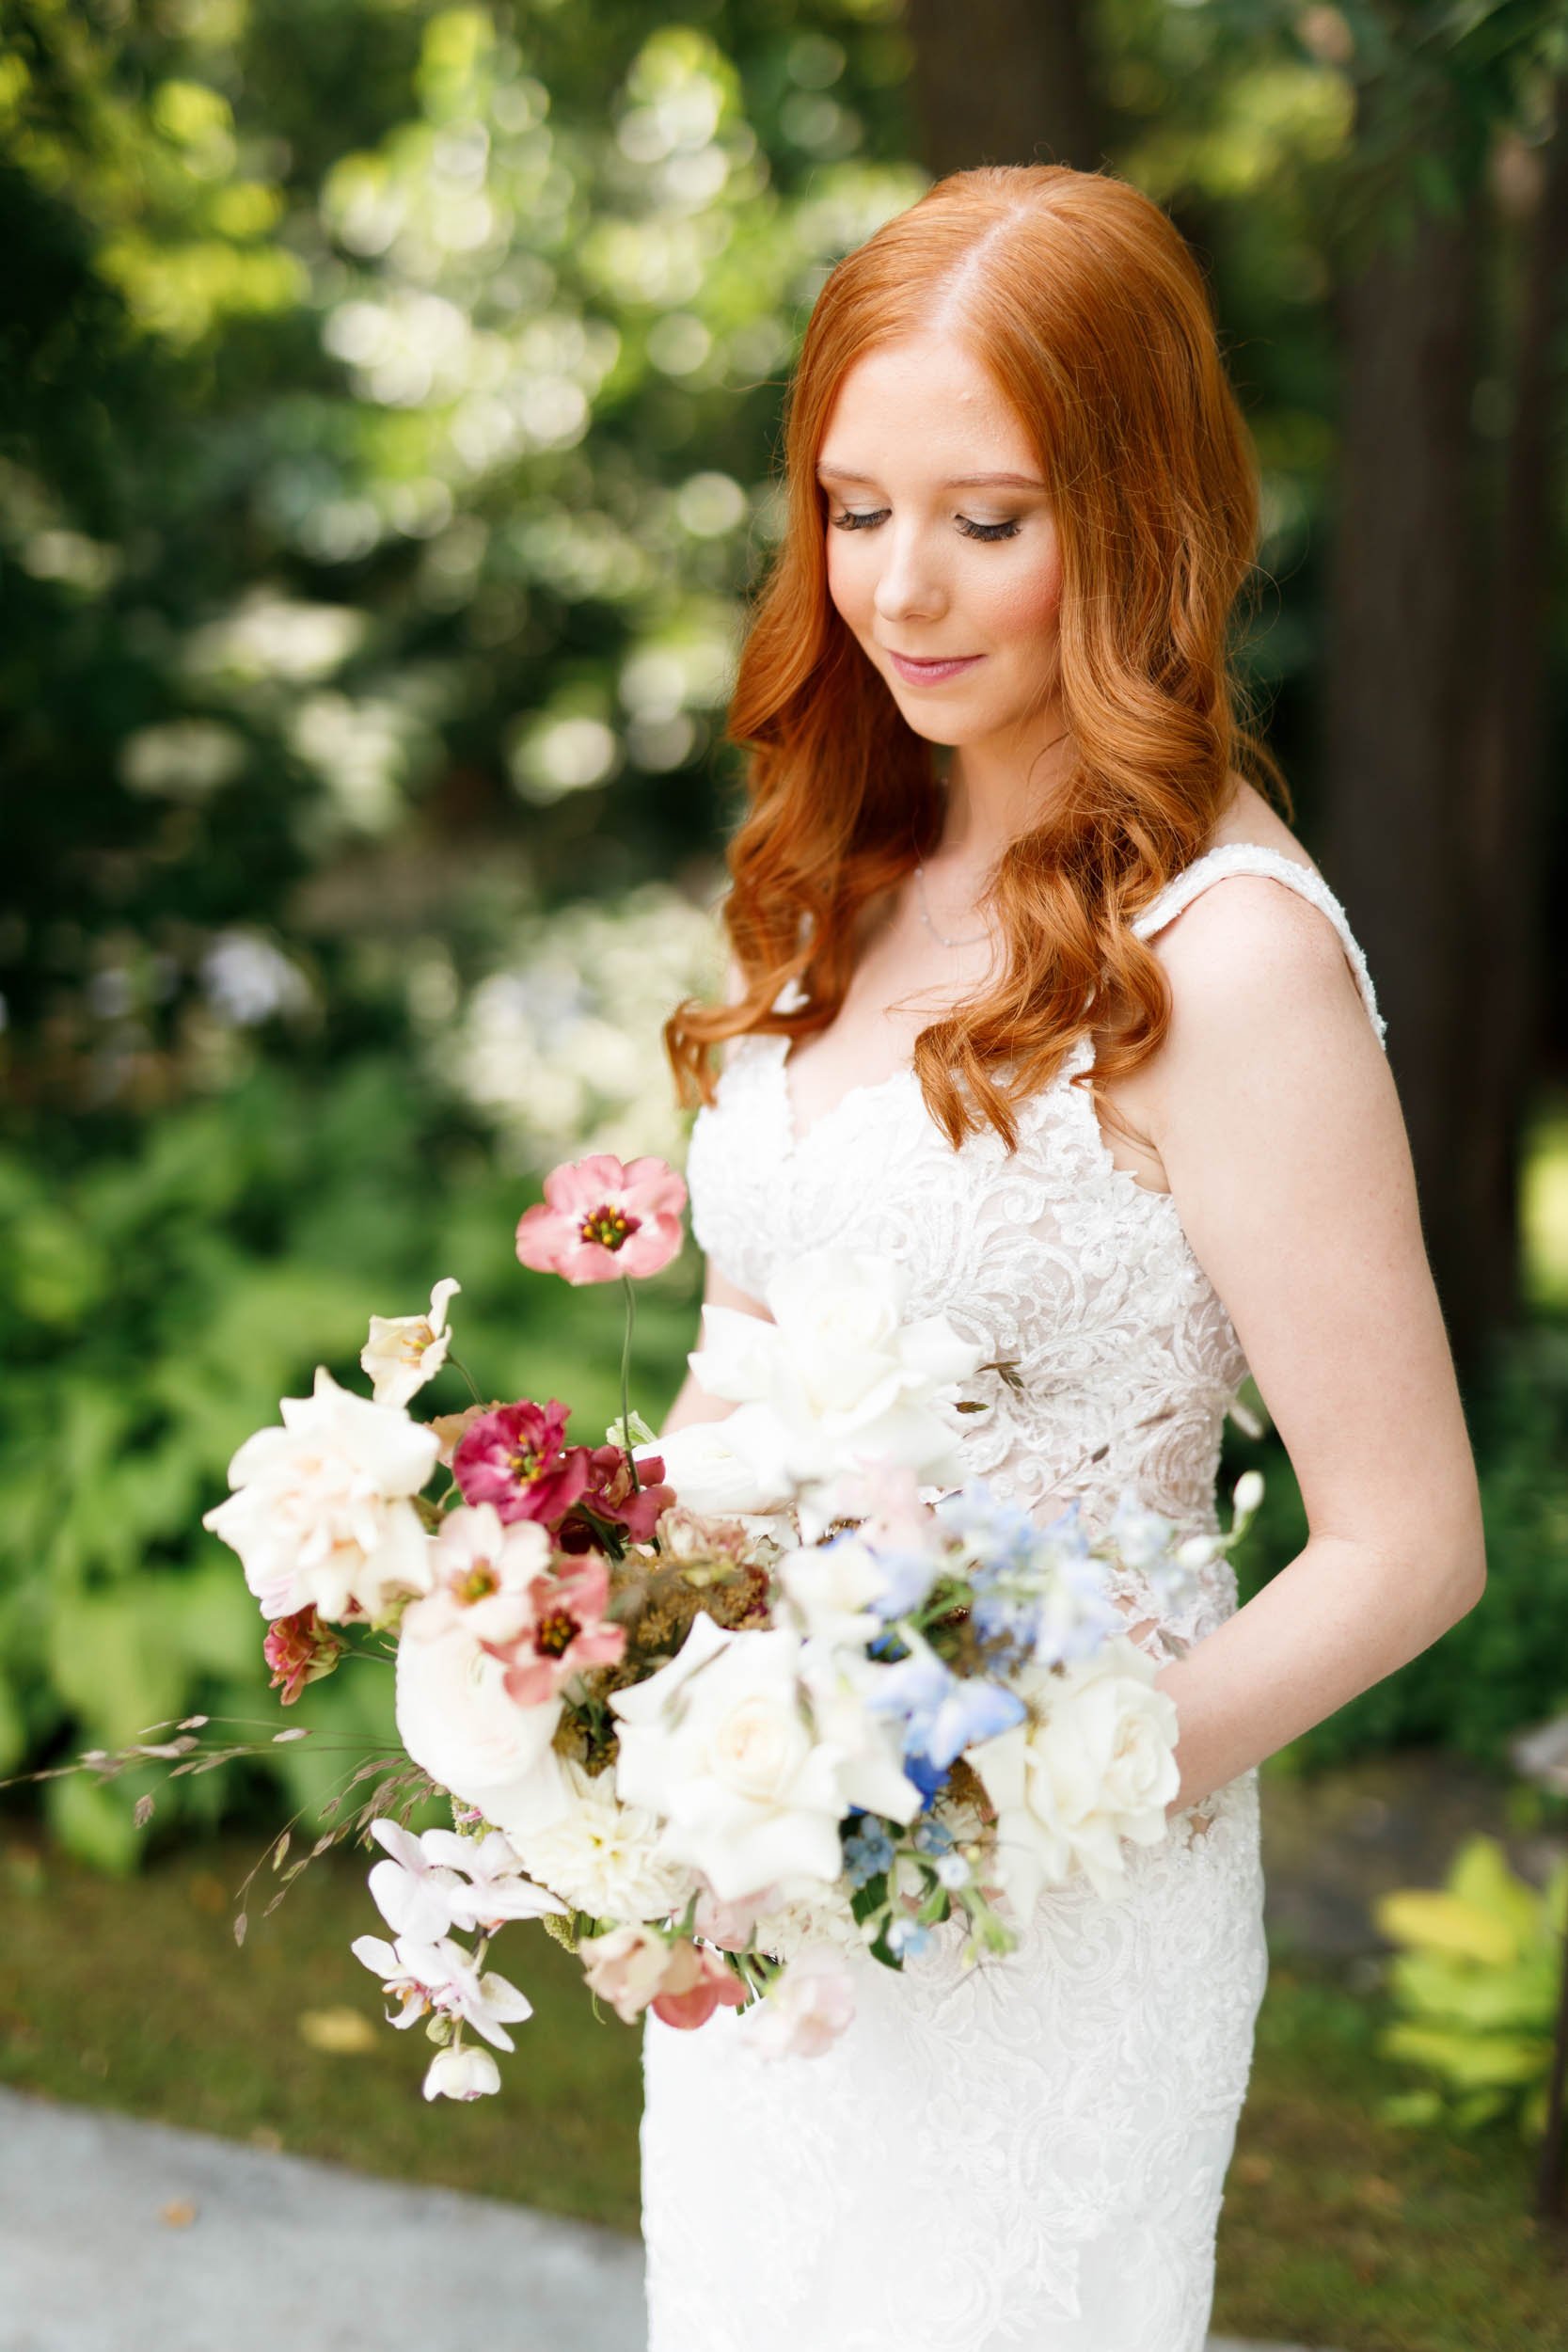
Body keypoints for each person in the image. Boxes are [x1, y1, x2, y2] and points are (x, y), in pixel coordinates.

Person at [642, 162, 1486, 2352]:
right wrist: (636, 1696)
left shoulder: (1233, 961)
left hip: (1054, 1931)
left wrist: (1004, 1802)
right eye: (852, 506)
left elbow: (1409, 1543)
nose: (902, 588)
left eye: (987, 519)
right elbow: (745, 1336)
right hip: (770, 1904)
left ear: (1132, 519)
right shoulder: (849, 861)